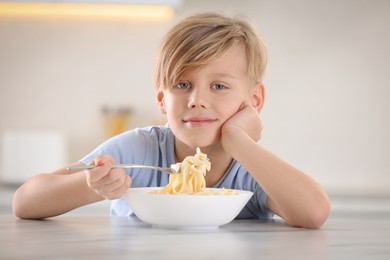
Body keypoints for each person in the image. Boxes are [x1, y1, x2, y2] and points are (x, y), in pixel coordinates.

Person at [12, 12, 330, 228]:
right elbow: (25, 202)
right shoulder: (138, 151)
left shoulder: (252, 169)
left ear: (254, 100)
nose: (196, 100)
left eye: (218, 86)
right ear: (162, 100)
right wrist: (91, 186)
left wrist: (238, 141)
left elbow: (314, 213)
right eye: (182, 85)